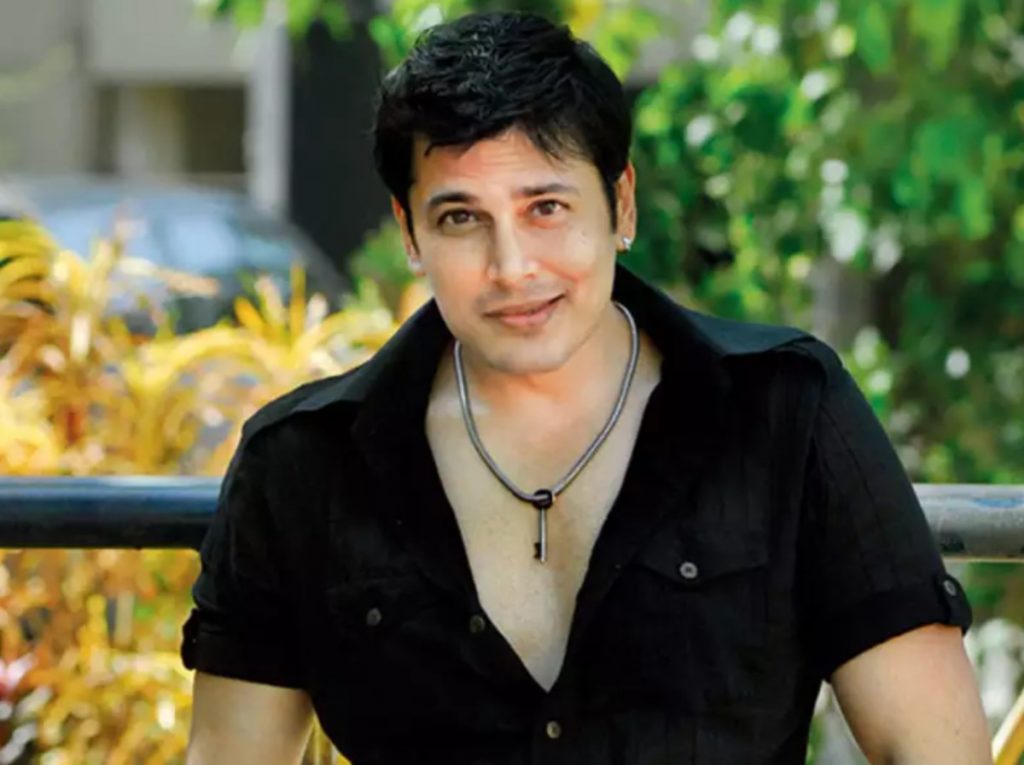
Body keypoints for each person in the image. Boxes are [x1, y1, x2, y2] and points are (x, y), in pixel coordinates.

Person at [181, 11, 992, 764]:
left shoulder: (786, 410)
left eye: (546, 207)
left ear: (621, 204)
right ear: (411, 234)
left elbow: (933, 747)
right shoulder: (302, 464)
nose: (512, 267)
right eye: (462, 218)